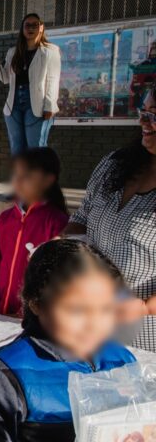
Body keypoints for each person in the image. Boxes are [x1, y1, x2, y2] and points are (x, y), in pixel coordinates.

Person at [0, 239, 136, 442]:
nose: (93, 323)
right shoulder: (10, 373)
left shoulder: (121, 359)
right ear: (36, 304)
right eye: (77, 310)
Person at [64, 88, 156, 350]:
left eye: (154, 116)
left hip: (141, 339)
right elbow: (82, 217)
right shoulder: (113, 165)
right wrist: (60, 247)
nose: (143, 122)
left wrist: (142, 306)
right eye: (143, 112)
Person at [0, 148, 69, 316]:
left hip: (33, 322)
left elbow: (56, 280)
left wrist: (26, 314)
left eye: (27, 176)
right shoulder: (6, 219)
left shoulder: (58, 224)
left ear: (48, 180)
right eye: (16, 175)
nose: (18, 182)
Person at [0, 13, 61, 154]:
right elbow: (5, 78)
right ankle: (21, 176)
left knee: (36, 147)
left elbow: (53, 79)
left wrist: (49, 105)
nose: (31, 28)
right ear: (22, 29)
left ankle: (37, 176)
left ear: (41, 28)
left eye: (35, 25)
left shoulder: (50, 51)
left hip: (37, 103)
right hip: (14, 104)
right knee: (17, 148)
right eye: (27, 25)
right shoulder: (13, 52)